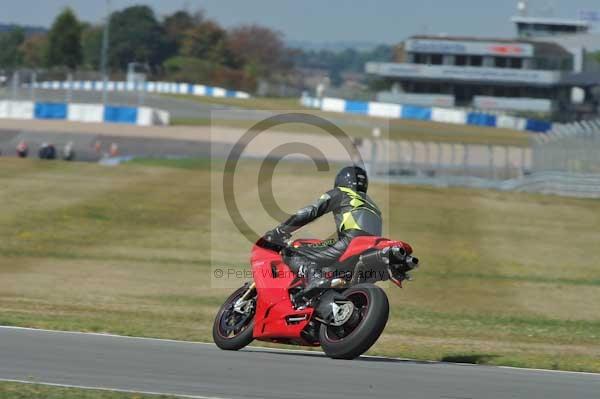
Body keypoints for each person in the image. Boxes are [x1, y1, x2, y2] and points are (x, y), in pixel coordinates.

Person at [265, 165, 382, 303]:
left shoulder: (342, 192)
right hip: (371, 250)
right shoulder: (374, 206)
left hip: (351, 241)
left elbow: (310, 212)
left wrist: (281, 230)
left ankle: (315, 278)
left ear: (342, 180)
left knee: (290, 252)